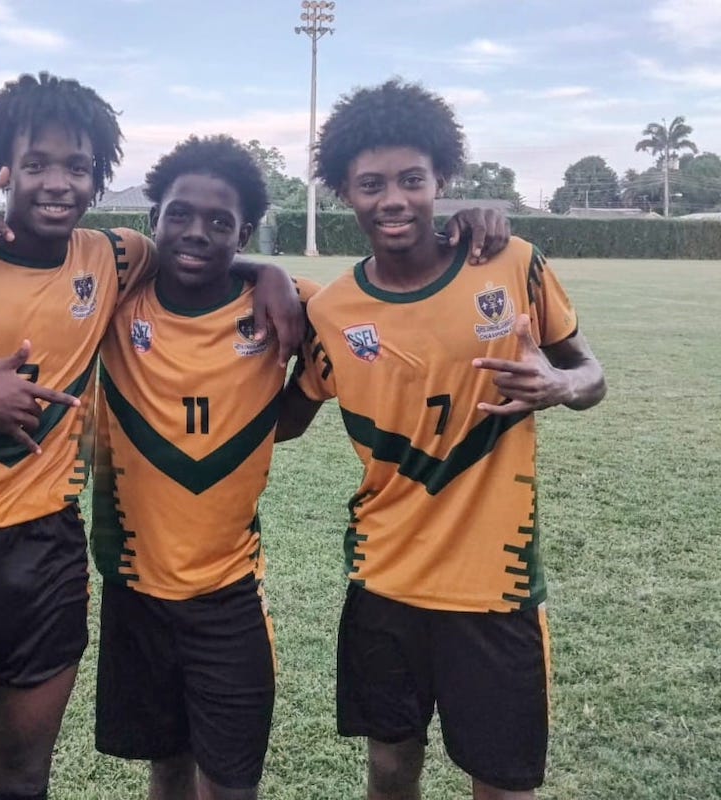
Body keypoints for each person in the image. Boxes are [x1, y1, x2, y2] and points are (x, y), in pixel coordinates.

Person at [0, 71, 305, 800]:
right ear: (1, 168)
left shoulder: (112, 256)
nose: (58, 182)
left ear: (98, 177)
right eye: (36, 164)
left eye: (77, 167)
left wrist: (272, 273)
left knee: (25, 779)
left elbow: (206, 250)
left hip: (49, 553)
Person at [278, 79, 606, 800]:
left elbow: (592, 373)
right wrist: (256, 280)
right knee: (390, 772)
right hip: (382, 580)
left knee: (502, 783)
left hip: (495, 588)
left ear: (441, 182)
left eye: (410, 180)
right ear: (343, 192)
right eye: (371, 184)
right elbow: (285, 421)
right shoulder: (331, 311)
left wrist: (561, 386)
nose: (392, 199)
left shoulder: (511, 262)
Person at [90, 134, 321, 800]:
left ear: (244, 230)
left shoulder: (286, 301)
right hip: (133, 588)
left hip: (230, 596)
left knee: (229, 782)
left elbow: (365, 316)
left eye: (221, 223)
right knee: (166, 764)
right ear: (153, 220)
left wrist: (268, 274)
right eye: (179, 215)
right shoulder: (119, 294)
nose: (196, 232)